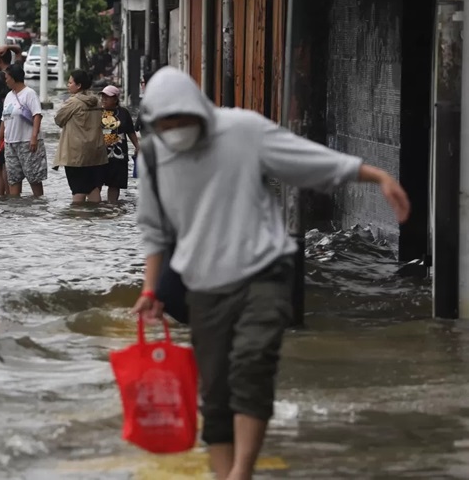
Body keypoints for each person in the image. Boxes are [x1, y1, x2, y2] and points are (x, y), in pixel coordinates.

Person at [131, 67, 410, 480]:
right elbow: (153, 230)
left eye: (182, 120)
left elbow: (306, 160)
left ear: (199, 111)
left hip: (263, 271)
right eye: (164, 124)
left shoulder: (242, 130)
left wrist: (375, 175)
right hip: (203, 285)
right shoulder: (153, 157)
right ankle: (225, 473)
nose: (175, 131)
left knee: (252, 364)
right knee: (216, 392)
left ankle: (241, 472)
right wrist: (151, 289)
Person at [53, 69, 108, 204]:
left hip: (76, 154)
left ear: (78, 86)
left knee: (78, 190)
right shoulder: (96, 101)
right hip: (96, 152)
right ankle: (95, 219)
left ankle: (79, 222)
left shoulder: (73, 103)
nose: (67, 85)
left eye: (70, 82)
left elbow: (58, 119)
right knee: (93, 189)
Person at [0, 64, 47, 197]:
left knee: (34, 178)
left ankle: (38, 206)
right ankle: (16, 210)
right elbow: (4, 118)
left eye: (7, 77)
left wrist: (34, 137)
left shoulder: (29, 94)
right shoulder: (9, 96)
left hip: (27, 143)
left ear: (14, 78)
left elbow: (37, 115)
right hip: (10, 144)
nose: (5, 80)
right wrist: (0, 138)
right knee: (13, 179)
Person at [99, 85, 139, 203]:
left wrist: (137, 146)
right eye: (103, 97)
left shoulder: (123, 113)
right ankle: (97, 209)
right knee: (96, 183)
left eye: (108, 97)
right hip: (100, 154)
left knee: (114, 184)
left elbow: (130, 131)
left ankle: (112, 207)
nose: (104, 99)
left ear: (115, 99)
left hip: (118, 155)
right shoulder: (98, 112)